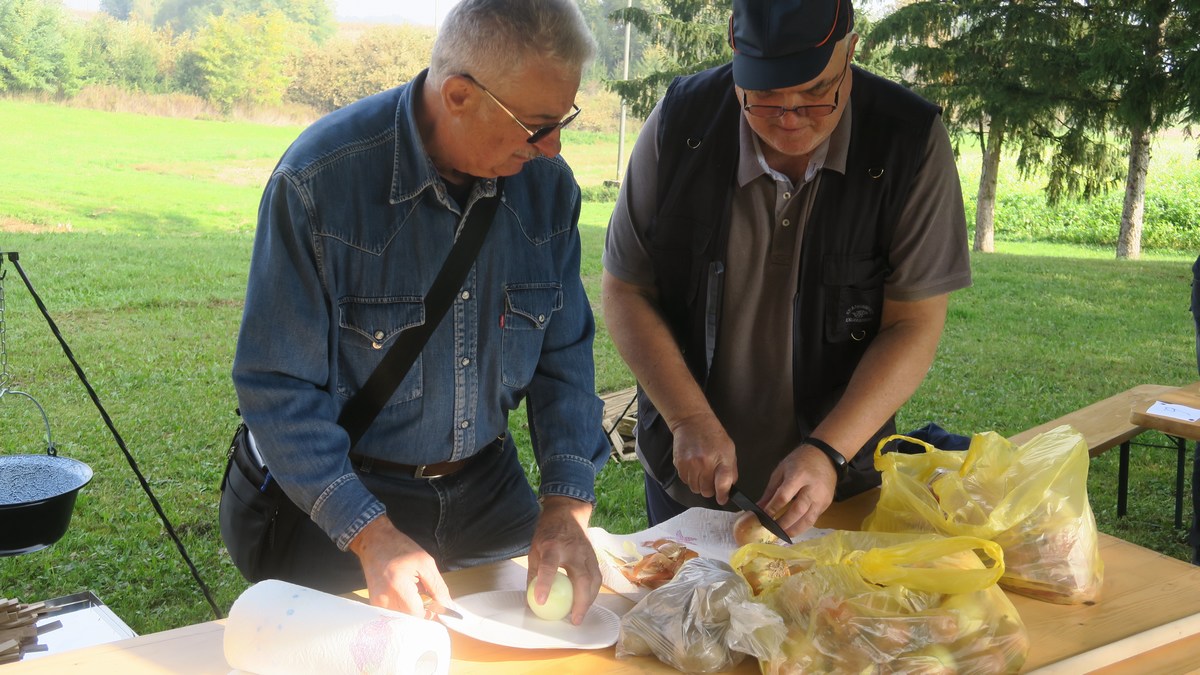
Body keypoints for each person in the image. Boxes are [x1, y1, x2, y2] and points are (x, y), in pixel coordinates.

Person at [230, 0, 609, 624]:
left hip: (488, 491)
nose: (552, 148)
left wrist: (566, 506)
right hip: (350, 495)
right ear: (459, 96)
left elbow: (563, 358)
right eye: (537, 125)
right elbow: (276, 386)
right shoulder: (319, 182)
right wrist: (370, 534)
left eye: (562, 119)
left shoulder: (548, 190)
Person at [601, 0, 972, 535]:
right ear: (736, 59)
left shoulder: (907, 142)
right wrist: (687, 417)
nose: (790, 117)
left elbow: (912, 324)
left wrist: (828, 450)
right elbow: (626, 289)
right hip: (686, 476)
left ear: (851, 50)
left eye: (817, 92)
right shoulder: (681, 123)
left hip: (838, 483)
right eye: (765, 96)